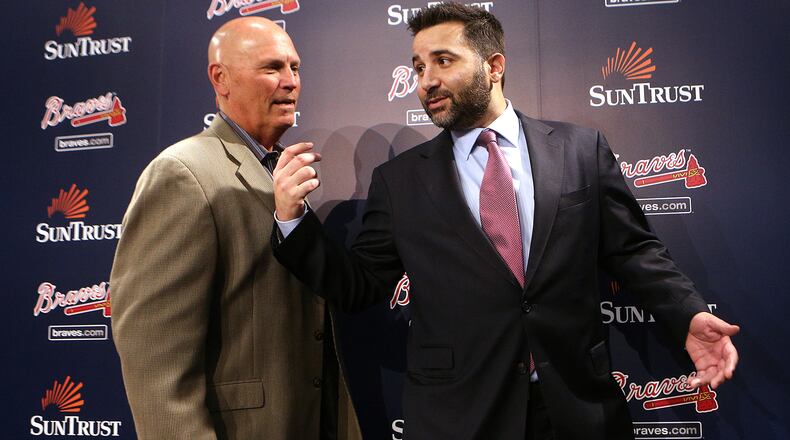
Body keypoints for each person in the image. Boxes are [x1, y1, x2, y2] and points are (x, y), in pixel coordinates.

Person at [272, 3, 739, 440]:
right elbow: (361, 285)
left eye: (443, 61)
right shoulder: (399, 181)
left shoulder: (580, 150)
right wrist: (293, 223)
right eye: (418, 67)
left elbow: (634, 251)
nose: (426, 81)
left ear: (494, 67)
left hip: (577, 407)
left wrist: (687, 314)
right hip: (459, 415)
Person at [110, 17, 362, 440]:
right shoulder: (182, 173)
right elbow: (155, 357)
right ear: (220, 78)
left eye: (295, 68)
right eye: (272, 68)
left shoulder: (276, 170)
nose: (290, 82)